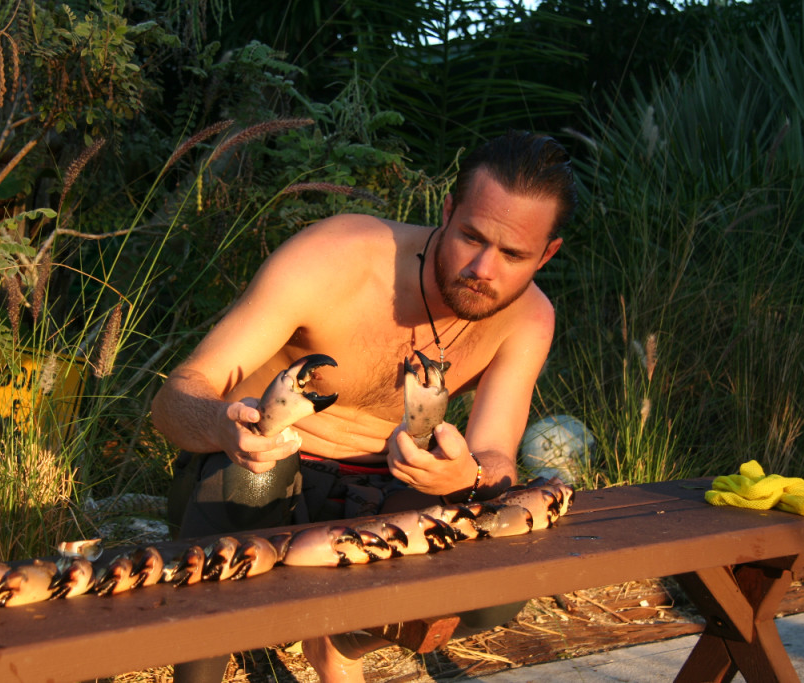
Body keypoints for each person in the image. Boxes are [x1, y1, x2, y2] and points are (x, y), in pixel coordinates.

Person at [151, 129, 576, 683]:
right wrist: (222, 425)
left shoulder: (528, 319)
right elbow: (174, 398)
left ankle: (340, 638)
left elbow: (494, 455)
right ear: (447, 210)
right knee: (250, 484)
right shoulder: (336, 257)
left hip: (381, 494)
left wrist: (463, 473)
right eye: (472, 237)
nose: (484, 269)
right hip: (253, 475)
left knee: (498, 591)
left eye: (514, 254)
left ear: (547, 254)